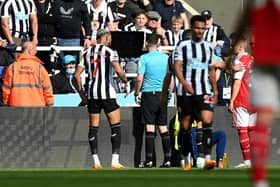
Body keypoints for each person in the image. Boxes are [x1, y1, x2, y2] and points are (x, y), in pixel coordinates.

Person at [235, 1, 280, 186]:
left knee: (261, 124)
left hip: (265, 60)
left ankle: (260, 180)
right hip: (268, 60)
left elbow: (242, 24)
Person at [74, 29, 130, 169]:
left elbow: (76, 76)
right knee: (115, 126)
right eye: (109, 38)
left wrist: (82, 95)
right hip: (107, 94)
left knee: (93, 127)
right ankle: (114, 161)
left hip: (92, 94)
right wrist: (126, 81)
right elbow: (118, 69)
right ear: (106, 38)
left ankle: (96, 161)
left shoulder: (85, 52)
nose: (110, 40)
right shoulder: (111, 52)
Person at [173, 15, 218, 170]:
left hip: (204, 89)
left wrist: (215, 90)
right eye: (197, 28)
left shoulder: (208, 46)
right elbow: (177, 66)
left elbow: (211, 69)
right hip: (185, 92)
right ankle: (185, 158)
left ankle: (206, 158)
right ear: (192, 28)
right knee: (185, 127)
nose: (200, 31)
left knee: (207, 120)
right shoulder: (183, 46)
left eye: (202, 29)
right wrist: (184, 83)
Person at [134, 33, 171, 168]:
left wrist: (136, 93)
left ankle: (149, 160)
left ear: (146, 43)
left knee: (149, 126)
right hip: (162, 93)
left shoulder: (144, 58)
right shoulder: (166, 58)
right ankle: (167, 159)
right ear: (159, 44)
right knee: (162, 126)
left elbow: (139, 78)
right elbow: (170, 77)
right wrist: (169, 92)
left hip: (149, 93)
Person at [228, 36, 256, 168]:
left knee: (242, 130)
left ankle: (247, 161)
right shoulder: (252, 59)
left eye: (233, 45)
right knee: (251, 130)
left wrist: (232, 100)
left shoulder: (240, 60)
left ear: (239, 46)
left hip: (242, 98)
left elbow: (238, 82)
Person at [2, 41, 53, 106]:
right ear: (30, 50)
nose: (36, 52)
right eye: (35, 50)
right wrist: (50, 104)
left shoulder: (12, 67)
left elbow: (6, 90)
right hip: (37, 108)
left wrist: (6, 103)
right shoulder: (40, 68)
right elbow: (47, 90)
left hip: (16, 107)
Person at [34, 0, 56, 73]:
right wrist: (48, 17)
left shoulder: (52, 3)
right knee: (36, 65)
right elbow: (32, 19)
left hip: (49, 39)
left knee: (48, 65)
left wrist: (38, 18)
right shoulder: (32, 3)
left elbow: (56, 19)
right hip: (36, 39)